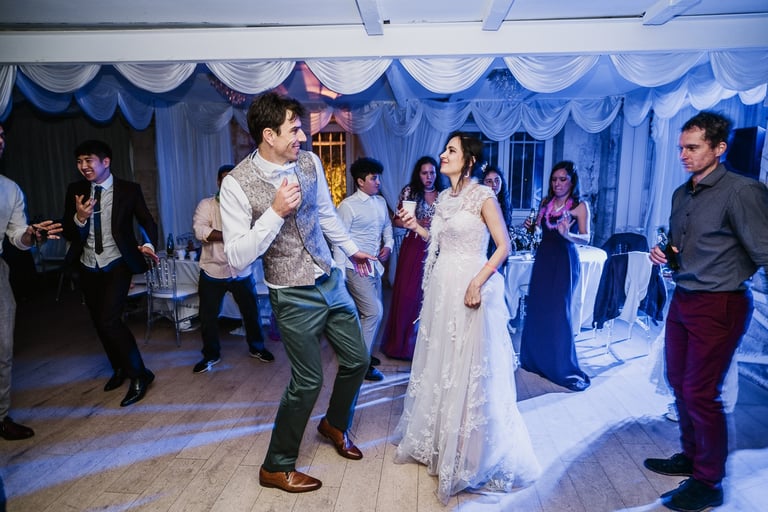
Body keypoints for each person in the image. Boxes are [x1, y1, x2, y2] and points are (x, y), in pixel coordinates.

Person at [218, 92, 376, 493]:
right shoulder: (236, 184)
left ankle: (334, 424)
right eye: (294, 130)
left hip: (329, 278)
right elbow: (236, 257)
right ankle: (276, 465)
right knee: (307, 382)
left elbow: (325, 213)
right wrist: (274, 212)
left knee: (357, 360)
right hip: (290, 294)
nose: (303, 136)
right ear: (268, 135)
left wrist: (351, 250)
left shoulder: (309, 162)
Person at [393, 132, 540, 504]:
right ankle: (440, 442)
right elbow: (438, 241)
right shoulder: (443, 197)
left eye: (451, 151)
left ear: (469, 160)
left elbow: (503, 246)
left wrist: (477, 282)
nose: (443, 155)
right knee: (442, 363)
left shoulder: (483, 196)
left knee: (469, 368)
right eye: (444, 149)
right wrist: (415, 227)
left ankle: (471, 454)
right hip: (443, 287)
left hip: (471, 285)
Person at [644, 111, 768, 512]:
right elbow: (681, 248)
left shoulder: (742, 191)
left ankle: (709, 482)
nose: (684, 154)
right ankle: (692, 456)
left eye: (693, 147)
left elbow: (763, 251)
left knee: (701, 391)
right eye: (681, 147)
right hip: (684, 298)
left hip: (721, 302)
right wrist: (665, 254)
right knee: (678, 382)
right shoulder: (683, 194)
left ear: (719, 148)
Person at [61, 140, 159, 407]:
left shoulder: (129, 190)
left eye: (88, 160)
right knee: (98, 321)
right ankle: (119, 368)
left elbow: (147, 221)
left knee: (109, 320)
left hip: (117, 262)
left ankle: (140, 374)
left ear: (105, 162)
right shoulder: (76, 190)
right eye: (79, 161)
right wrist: (79, 218)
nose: (83, 167)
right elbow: (69, 233)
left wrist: (148, 245)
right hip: (87, 264)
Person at [0, 123, 62, 440]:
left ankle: (0, 416)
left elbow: (16, 236)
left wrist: (30, 235)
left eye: (0, 136)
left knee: (4, 347)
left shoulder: (10, 189)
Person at [191, 164, 274, 374]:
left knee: (251, 313)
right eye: (224, 179)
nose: (228, 183)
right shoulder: (206, 205)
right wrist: (230, 235)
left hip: (242, 270)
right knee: (208, 316)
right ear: (219, 182)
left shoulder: (247, 207)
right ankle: (211, 354)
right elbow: (200, 230)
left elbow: (257, 232)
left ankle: (257, 348)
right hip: (213, 271)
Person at [519, 160, 591, 392]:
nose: (558, 183)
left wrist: (569, 234)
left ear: (572, 181)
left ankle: (561, 367)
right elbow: (539, 228)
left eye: (563, 179)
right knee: (539, 309)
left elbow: (588, 237)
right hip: (544, 260)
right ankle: (536, 361)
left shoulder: (580, 206)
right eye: (554, 179)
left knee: (559, 312)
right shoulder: (545, 203)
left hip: (565, 260)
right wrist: (531, 225)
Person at [333, 157, 393, 381]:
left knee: (372, 314)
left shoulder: (379, 203)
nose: (378, 182)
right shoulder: (348, 206)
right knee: (374, 312)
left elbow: (387, 228)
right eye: (373, 178)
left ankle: (360, 354)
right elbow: (339, 241)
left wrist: (388, 246)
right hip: (355, 269)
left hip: (376, 268)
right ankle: (361, 365)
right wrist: (339, 275)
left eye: (378, 177)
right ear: (360, 181)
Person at [379, 156, 443, 360]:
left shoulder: (444, 195)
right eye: (424, 173)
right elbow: (396, 220)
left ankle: (427, 348)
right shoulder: (410, 192)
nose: (429, 176)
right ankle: (402, 345)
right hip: (413, 245)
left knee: (431, 295)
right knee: (408, 295)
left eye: (432, 172)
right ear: (418, 174)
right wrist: (415, 222)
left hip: (437, 247)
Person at [482, 165, 511, 271]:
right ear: (482, 183)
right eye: (489, 181)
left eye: (497, 180)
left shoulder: (506, 204)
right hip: (484, 249)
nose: (494, 185)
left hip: (500, 250)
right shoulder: (480, 204)